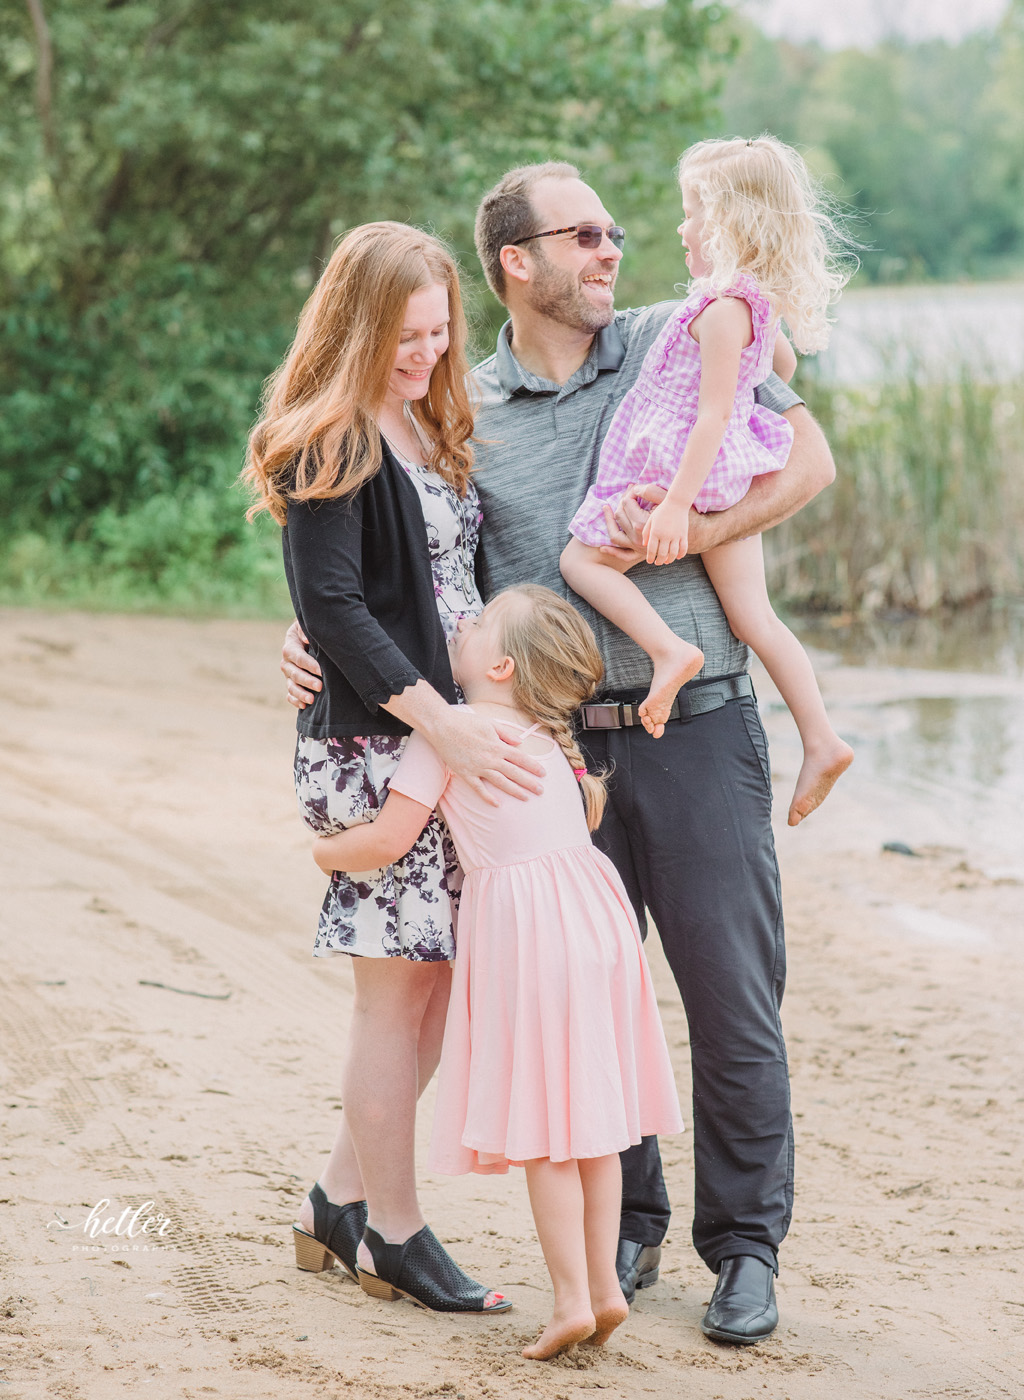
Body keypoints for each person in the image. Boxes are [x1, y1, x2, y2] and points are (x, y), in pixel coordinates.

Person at [282, 162, 839, 1345]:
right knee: (591, 1001)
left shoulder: (674, 337)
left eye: (616, 230)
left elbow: (809, 465)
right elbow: (409, 569)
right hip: (540, 764)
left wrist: (692, 526)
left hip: (692, 727)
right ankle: (623, 1230)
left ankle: (742, 1250)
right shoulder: (457, 406)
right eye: (581, 233)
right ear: (513, 263)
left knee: (732, 1002)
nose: (610, 249)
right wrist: (312, 633)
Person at [242, 221, 545, 1315]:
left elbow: (427, 585)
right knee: (394, 993)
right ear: (359, 325)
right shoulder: (325, 433)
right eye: (406, 336)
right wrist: (442, 722)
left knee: (439, 983)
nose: (426, 353)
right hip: (379, 742)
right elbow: (333, 604)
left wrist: (473, 718)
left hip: (440, 729)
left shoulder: (422, 424)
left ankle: (336, 1196)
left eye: (439, 330)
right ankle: (394, 1231)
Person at [311, 584, 684, 1360]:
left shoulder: (450, 734)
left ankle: (573, 1301)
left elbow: (387, 839)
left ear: (503, 664)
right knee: (596, 1128)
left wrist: (323, 851)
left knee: (547, 1132)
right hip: (597, 922)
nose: (461, 624)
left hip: (531, 935)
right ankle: (608, 1289)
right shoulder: (549, 740)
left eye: (477, 621)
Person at [561, 136, 853, 826]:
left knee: (581, 561)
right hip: (726, 477)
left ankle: (670, 649)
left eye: (691, 213)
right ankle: (820, 737)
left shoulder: (721, 308)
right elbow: (775, 369)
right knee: (755, 618)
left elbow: (714, 413)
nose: (681, 228)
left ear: (728, 223)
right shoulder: (753, 305)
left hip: (679, 478)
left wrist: (677, 509)